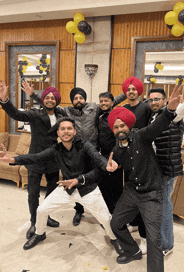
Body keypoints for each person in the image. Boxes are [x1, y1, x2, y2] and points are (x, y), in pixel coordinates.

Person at [0, 117, 119, 250]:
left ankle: (114, 239)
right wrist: (12, 159)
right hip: (66, 188)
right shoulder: (56, 149)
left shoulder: (84, 145)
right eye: (62, 129)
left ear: (74, 132)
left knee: (105, 218)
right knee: (41, 210)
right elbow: (36, 157)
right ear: (58, 132)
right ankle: (40, 234)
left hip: (88, 189)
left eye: (69, 128)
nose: (66, 132)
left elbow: (98, 158)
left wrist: (107, 166)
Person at [24, 82, 126, 226]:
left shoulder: (94, 108)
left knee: (94, 183)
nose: (78, 100)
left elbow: (111, 101)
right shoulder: (67, 111)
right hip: (76, 151)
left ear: (85, 99)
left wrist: (127, 93)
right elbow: (49, 103)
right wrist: (33, 95)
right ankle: (79, 211)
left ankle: (102, 214)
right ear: (72, 101)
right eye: (75, 98)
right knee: (76, 181)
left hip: (92, 152)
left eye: (81, 97)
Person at [106, 84, 183, 272]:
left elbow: (159, 124)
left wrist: (170, 109)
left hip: (152, 193)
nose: (119, 129)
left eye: (122, 125)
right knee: (115, 224)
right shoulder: (116, 149)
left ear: (128, 125)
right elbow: (112, 161)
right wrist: (110, 164)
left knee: (154, 239)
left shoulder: (142, 135)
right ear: (113, 130)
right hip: (132, 192)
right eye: (116, 127)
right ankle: (132, 251)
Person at [147, 73, 184, 257]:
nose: (154, 102)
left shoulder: (173, 115)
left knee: (165, 206)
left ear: (166, 100)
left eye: (157, 99)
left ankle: (167, 244)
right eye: (151, 100)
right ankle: (157, 237)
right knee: (158, 205)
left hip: (167, 170)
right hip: (156, 170)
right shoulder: (154, 117)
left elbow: (183, 108)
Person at [0, 80, 67, 240]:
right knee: (33, 194)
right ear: (43, 100)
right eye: (47, 97)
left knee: (51, 193)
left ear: (57, 100)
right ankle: (34, 221)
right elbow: (16, 114)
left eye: (53, 98)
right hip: (35, 159)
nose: (50, 100)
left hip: (52, 159)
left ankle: (46, 215)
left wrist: (33, 94)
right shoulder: (35, 114)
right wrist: (4, 101)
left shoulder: (61, 115)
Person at [122, 76, 152, 253]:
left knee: (141, 197)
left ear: (139, 91)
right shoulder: (124, 108)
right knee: (130, 193)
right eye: (128, 89)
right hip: (128, 156)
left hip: (144, 157)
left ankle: (145, 238)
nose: (131, 91)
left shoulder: (146, 107)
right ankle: (133, 223)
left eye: (134, 89)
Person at [96, 92, 124, 214]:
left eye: (106, 100)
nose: (103, 103)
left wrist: (118, 157)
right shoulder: (100, 117)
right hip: (103, 156)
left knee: (116, 187)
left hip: (116, 156)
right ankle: (106, 213)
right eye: (101, 101)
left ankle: (116, 215)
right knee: (103, 186)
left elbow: (120, 138)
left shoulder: (118, 117)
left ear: (112, 102)